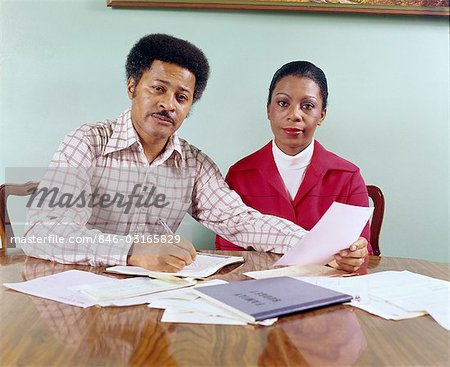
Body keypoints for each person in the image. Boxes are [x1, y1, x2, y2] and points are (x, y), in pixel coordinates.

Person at [23, 36, 367, 273]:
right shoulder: (86, 142)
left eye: (182, 97)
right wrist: (131, 251)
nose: (168, 104)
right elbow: (43, 232)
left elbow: (240, 220)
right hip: (79, 294)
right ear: (132, 87)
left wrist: (320, 248)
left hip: (152, 297)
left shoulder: (193, 163)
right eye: (158, 89)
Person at [215, 61, 372, 266]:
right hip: (258, 287)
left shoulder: (347, 176)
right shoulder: (240, 174)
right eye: (282, 103)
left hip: (326, 289)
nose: (294, 115)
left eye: (308, 106)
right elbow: (228, 252)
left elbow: (362, 251)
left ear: (321, 115)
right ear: (268, 110)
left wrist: (355, 256)